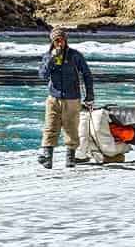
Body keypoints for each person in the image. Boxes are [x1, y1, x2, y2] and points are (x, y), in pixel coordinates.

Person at [37, 27, 94, 169]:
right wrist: (51, 59)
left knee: (71, 128)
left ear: (65, 40)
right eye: (56, 40)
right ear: (52, 41)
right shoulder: (47, 55)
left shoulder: (75, 56)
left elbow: (87, 74)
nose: (59, 43)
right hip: (53, 98)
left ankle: (70, 159)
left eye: (61, 39)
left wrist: (89, 95)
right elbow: (43, 75)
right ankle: (47, 158)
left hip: (72, 98)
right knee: (50, 127)